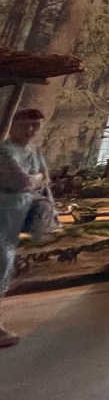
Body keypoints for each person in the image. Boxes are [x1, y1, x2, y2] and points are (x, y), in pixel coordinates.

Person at [0, 109, 50, 348]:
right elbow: (20, 181)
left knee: (6, 262)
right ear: (13, 124)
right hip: (4, 211)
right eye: (26, 125)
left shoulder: (34, 151)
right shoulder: (5, 151)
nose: (30, 131)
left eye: (35, 127)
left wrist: (35, 179)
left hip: (18, 214)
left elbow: (45, 179)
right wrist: (35, 179)